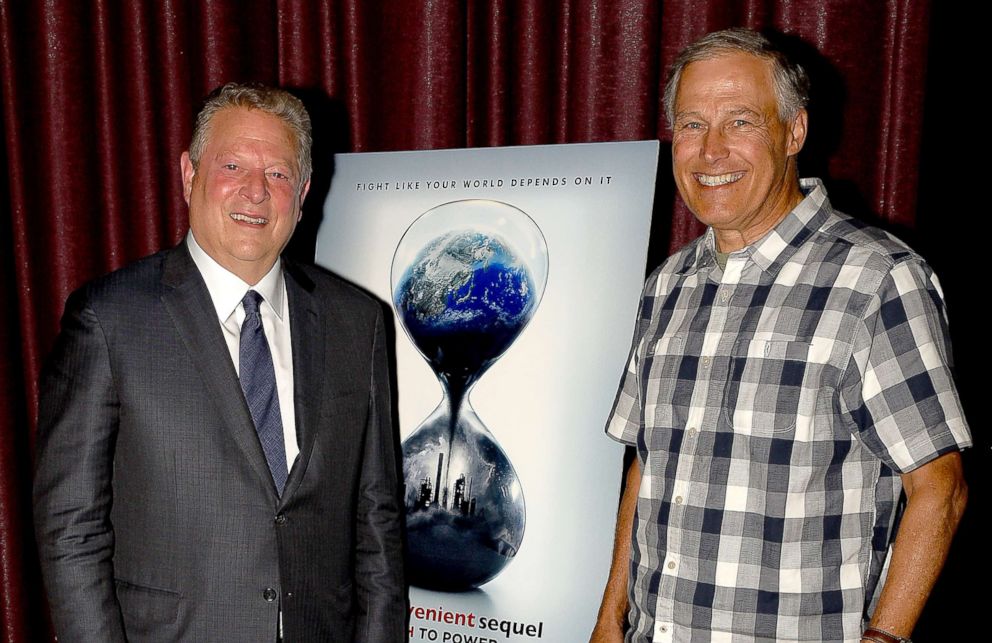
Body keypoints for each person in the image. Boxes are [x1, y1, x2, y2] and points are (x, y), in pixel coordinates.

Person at [591, 29, 970, 643]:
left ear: (795, 132)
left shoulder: (876, 279)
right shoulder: (669, 284)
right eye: (691, 125)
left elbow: (939, 489)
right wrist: (610, 622)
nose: (710, 151)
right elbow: (647, 465)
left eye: (740, 122)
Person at [33, 83, 406, 642]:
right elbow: (70, 530)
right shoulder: (109, 321)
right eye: (232, 165)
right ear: (189, 174)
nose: (255, 192)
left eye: (278, 174)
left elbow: (377, 521)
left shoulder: (359, 322)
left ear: (303, 192)